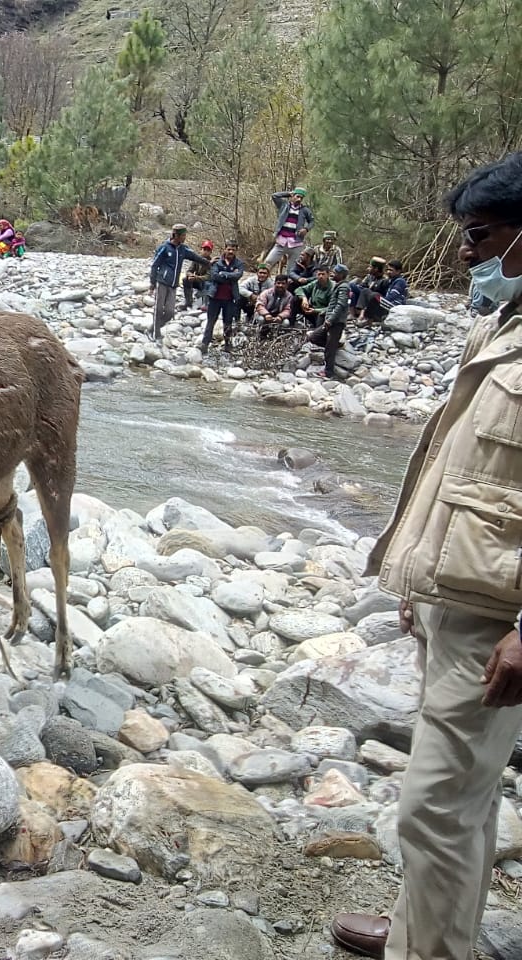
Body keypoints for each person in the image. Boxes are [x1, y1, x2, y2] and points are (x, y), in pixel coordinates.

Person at [330, 151, 522, 960]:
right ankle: (426, 927)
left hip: (497, 622)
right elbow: (455, 468)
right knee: (460, 799)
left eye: (481, 235)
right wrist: (416, 578)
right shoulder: (501, 328)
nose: (468, 253)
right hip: (459, 595)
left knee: (435, 806)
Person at [149, 224, 210, 341]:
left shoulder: (183, 249)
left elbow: (195, 257)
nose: (184, 237)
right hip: (162, 282)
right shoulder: (164, 247)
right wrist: (152, 283)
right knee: (158, 309)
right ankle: (155, 334)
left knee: (170, 312)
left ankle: (151, 328)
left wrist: (208, 263)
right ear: (176, 235)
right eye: (183, 235)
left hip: (173, 285)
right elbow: (154, 265)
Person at [199, 240, 244, 355]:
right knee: (211, 321)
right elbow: (214, 276)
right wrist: (230, 275)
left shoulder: (239, 263)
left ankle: (228, 344)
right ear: (224, 249)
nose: (230, 251)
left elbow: (238, 275)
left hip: (230, 298)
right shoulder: (217, 262)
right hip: (215, 297)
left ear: (236, 251)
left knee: (228, 322)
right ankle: (205, 344)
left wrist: (223, 274)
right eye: (229, 249)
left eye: (233, 250)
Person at [309, 262, 351, 378]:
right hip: (331, 320)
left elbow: (340, 305)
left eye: (336, 273)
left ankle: (328, 372)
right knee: (314, 337)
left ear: (341, 275)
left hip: (336, 322)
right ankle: (334, 345)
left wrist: (330, 319)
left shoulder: (344, 287)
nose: (333, 274)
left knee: (329, 350)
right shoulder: (339, 285)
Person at [265, 187, 314, 270]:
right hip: (281, 241)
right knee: (268, 262)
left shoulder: (305, 210)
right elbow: (274, 196)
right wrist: (288, 193)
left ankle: (288, 282)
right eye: (297, 196)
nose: (299, 199)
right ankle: (264, 280)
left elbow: (312, 221)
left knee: (292, 269)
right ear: (293, 196)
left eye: (301, 198)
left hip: (296, 242)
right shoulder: (284, 205)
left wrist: (306, 229)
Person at [297, 265, 335, 329]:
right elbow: (299, 289)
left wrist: (315, 311)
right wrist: (304, 298)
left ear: (328, 275)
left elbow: (332, 308)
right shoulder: (315, 283)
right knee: (296, 299)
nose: (321, 276)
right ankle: (292, 324)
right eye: (319, 274)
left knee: (321, 315)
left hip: (323, 313)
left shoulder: (333, 287)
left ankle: (318, 331)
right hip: (312, 309)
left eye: (323, 274)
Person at [182, 239, 214, 310]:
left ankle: (205, 303)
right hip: (197, 281)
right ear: (201, 249)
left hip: (205, 284)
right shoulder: (196, 260)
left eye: (208, 250)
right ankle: (188, 302)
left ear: (211, 252)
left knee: (208, 284)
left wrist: (196, 277)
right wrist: (190, 275)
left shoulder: (212, 262)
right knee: (185, 279)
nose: (205, 252)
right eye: (204, 249)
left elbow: (208, 276)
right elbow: (189, 270)